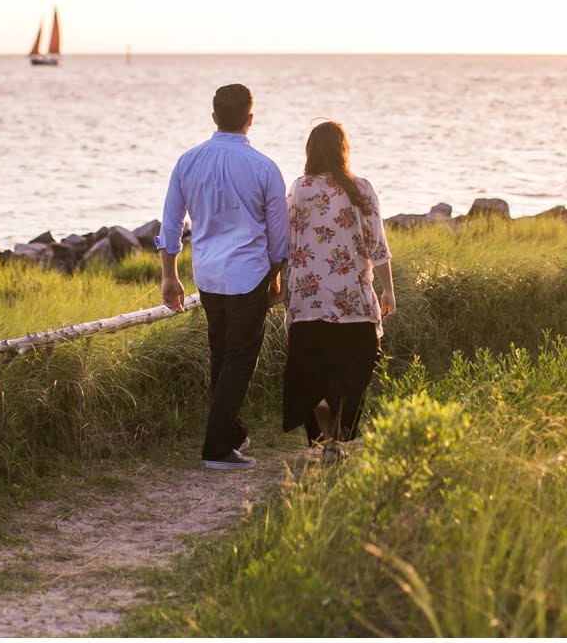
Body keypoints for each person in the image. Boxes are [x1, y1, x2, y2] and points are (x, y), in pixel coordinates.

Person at [155, 84, 289, 471]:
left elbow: (170, 224)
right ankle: (216, 448)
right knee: (240, 359)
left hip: (208, 274)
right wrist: (276, 274)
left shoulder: (187, 162)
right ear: (251, 119)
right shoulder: (264, 167)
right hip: (250, 274)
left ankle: (229, 433)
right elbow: (279, 237)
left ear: (214, 117)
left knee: (221, 355)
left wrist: (170, 276)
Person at [281, 120, 396, 461]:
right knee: (356, 367)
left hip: (307, 300)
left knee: (312, 368)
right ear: (344, 150)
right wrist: (388, 290)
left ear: (310, 151)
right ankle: (334, 433)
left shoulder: (299, 189)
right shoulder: (360, 189)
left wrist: (279, 285)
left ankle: (322, 424)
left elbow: (285, 243)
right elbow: (378, 246)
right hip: (353, 300)